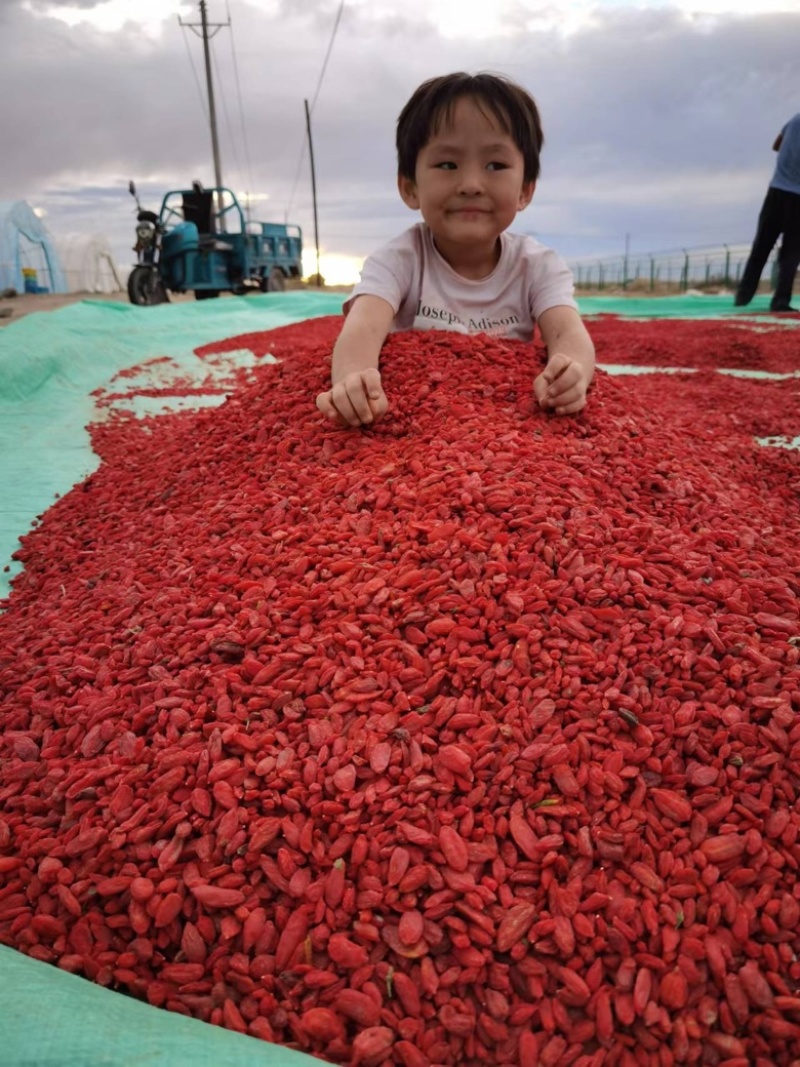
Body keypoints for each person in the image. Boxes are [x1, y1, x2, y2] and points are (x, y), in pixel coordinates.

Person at [316, 72, 595, 428]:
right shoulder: (399, 260)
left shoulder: (537, 265)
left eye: (496, 165)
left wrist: (571, 373)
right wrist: (352, 380)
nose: (471, 185)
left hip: (513, 420)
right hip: (413, 420)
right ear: (410, 187)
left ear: (525, 189)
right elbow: (363, 328)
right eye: (447, 165)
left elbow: (568, 334)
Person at [735, 113, 800, 313]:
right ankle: (780, 302)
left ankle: (743, 297)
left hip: (777, 192)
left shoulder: (795, 120)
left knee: (761, 247)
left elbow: (776, 145)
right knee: (792, 253)